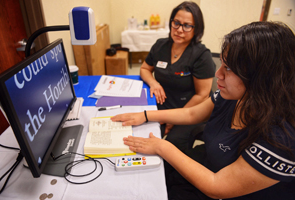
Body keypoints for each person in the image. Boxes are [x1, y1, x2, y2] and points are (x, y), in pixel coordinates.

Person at [111, 21, 295, 200]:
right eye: (222, 64)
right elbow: (192, 113)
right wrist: (144, 115)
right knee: (146, 175)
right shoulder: (235, 96)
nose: (218, 74)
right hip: (208, 164)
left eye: (228, 68)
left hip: (218, 187)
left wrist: (162, 146)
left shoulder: (281, 138)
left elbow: (217, 186)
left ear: (263, 77)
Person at [140, 1, 215, 151]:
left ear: (196, 29)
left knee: (172, 143)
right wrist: (154, 83)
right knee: (146, 134)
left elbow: (202, 95)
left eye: (187, 25)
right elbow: (144, 68)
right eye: (176, 23)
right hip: (165, 104)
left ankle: (172, 174)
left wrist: (173, 119)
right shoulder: (160, 45)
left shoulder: (201, 55)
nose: (180, 30)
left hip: (191, 109)